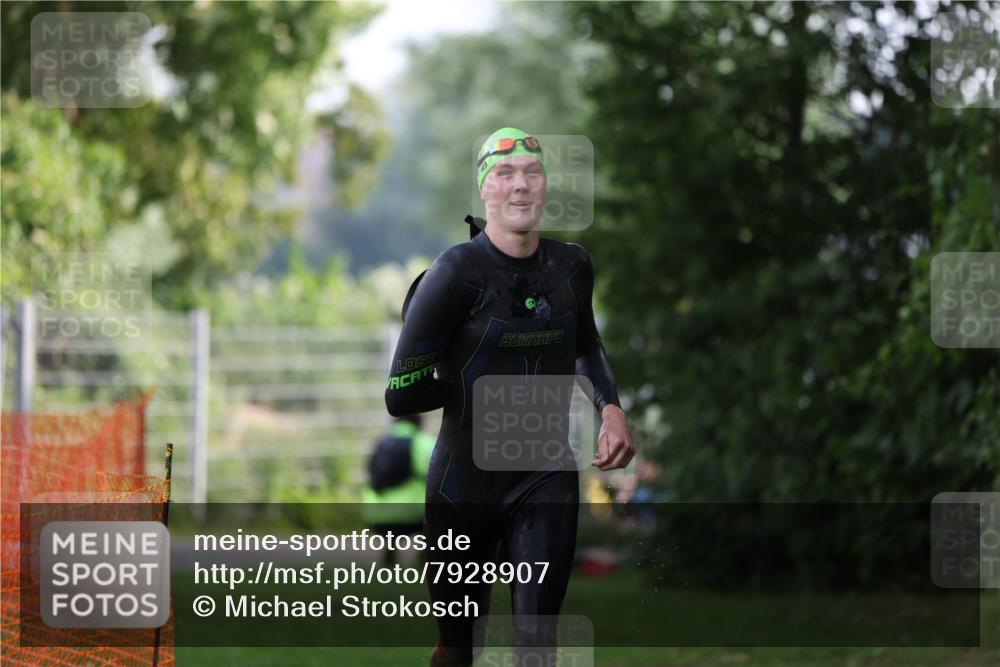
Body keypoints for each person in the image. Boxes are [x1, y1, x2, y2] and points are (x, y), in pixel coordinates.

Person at [385, 127, 635, 666]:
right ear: (485, 191)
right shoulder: (454, 274)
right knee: (460, 650)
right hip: (462, 484)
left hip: (545, 474)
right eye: (504, 174)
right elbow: (399, 397)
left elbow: (584, 345)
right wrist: (468, 378)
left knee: (536, 647)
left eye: (532, 173)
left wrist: (610, 408)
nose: (519, 186)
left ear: (545, 187)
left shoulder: (570, 268)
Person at [361, 414, 435, 566]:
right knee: (434, 520)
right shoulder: (424, 442)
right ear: (420, 421)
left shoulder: (380, 443)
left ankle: (388, 560)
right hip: (413, 514)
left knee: (391, 535)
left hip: (377, 515)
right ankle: (424, 561)